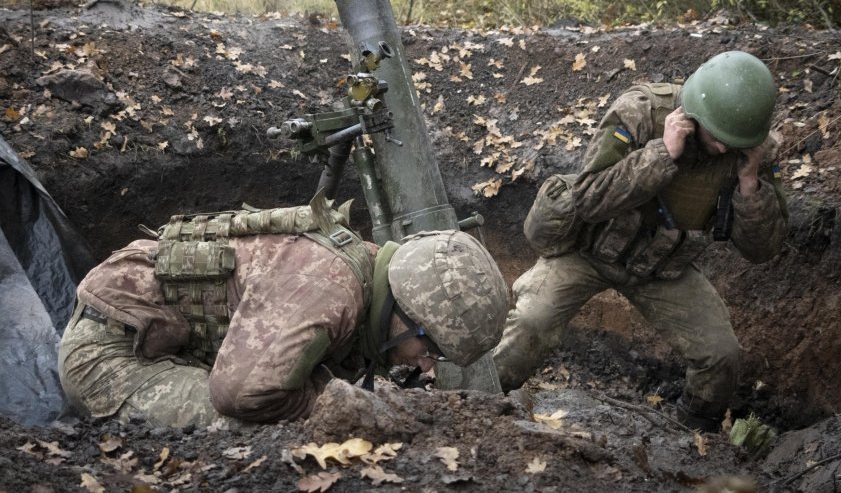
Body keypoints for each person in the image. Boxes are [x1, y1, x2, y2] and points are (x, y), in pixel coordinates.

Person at [493, 50, 788, 431]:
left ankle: (695, 435)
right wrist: (660, 155)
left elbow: (763, 250)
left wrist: (751, 185)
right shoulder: (640, 112)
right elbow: (589, 198)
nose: (725, 150)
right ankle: (478, 401)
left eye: (736, 143)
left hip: (663, 269)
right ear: (696, 114)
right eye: (719, 138)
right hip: (589, 251)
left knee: (721, 355)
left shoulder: (752, 147)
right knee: (531, 322)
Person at [58, 193, 508, 428]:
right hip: (114, 350)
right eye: (431, 347)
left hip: (179, 344)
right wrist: (331, 404)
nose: (427, 367)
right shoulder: (329, 288)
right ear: (402, 307)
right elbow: (241, 396)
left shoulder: (364, 272)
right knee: (255, 428)